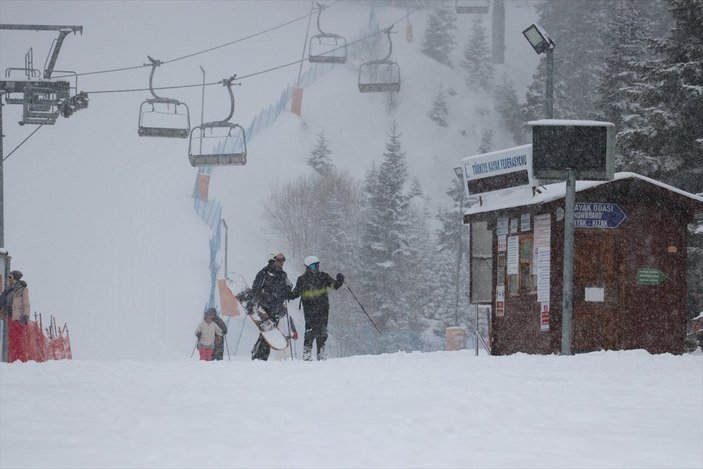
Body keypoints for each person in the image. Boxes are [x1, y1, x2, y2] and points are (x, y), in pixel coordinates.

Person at [291, 256, 343, 361]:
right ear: (308, 267)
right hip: (309, 309)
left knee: (322, 330)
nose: (316, 268)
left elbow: (334, 285)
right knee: (310, 331)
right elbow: (294, 294)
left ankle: (321, 352)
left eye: (317, 265)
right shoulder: (302, 279)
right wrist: (286, 292)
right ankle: (307, 352)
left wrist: (340, 280)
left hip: (323, 308)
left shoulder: (323, 276)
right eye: (314, 266)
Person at [249, 252, 294, 361]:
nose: (281, 262)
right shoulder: (264, 273)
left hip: (276, 309)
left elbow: (287, 293)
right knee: (266, 332)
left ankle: (260, 356)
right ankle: (258, 356)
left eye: (283, 260)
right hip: (265, 307)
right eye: (279, 260)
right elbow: (256, 288)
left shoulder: (283, 275)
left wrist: (289, 288)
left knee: (269, 334)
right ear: (272, 260)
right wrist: (256, 301)